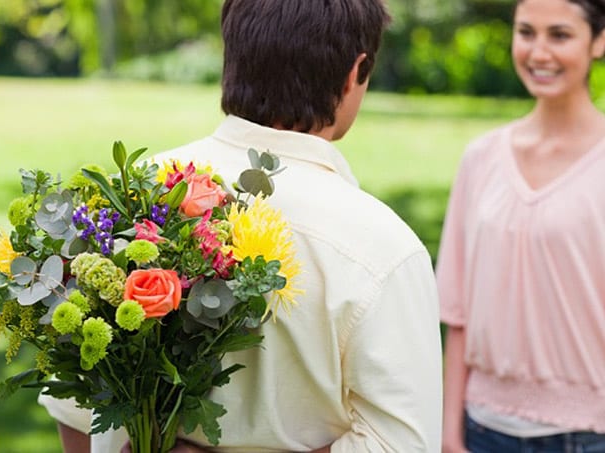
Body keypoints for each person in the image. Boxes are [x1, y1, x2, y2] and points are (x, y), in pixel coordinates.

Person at [40, 0, 443, 451]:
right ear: (356, 72)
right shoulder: (382, 249)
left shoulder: (124, 200)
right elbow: (401, 443)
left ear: (233, 53)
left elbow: (74, 408)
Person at [438, 0, 605, 452]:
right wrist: (449, 435)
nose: (539, 51)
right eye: (526, 32)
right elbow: (458, 316)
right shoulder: (481, 159)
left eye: (560, 34)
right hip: (482, 429)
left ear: (599, 41)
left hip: (591, 436)